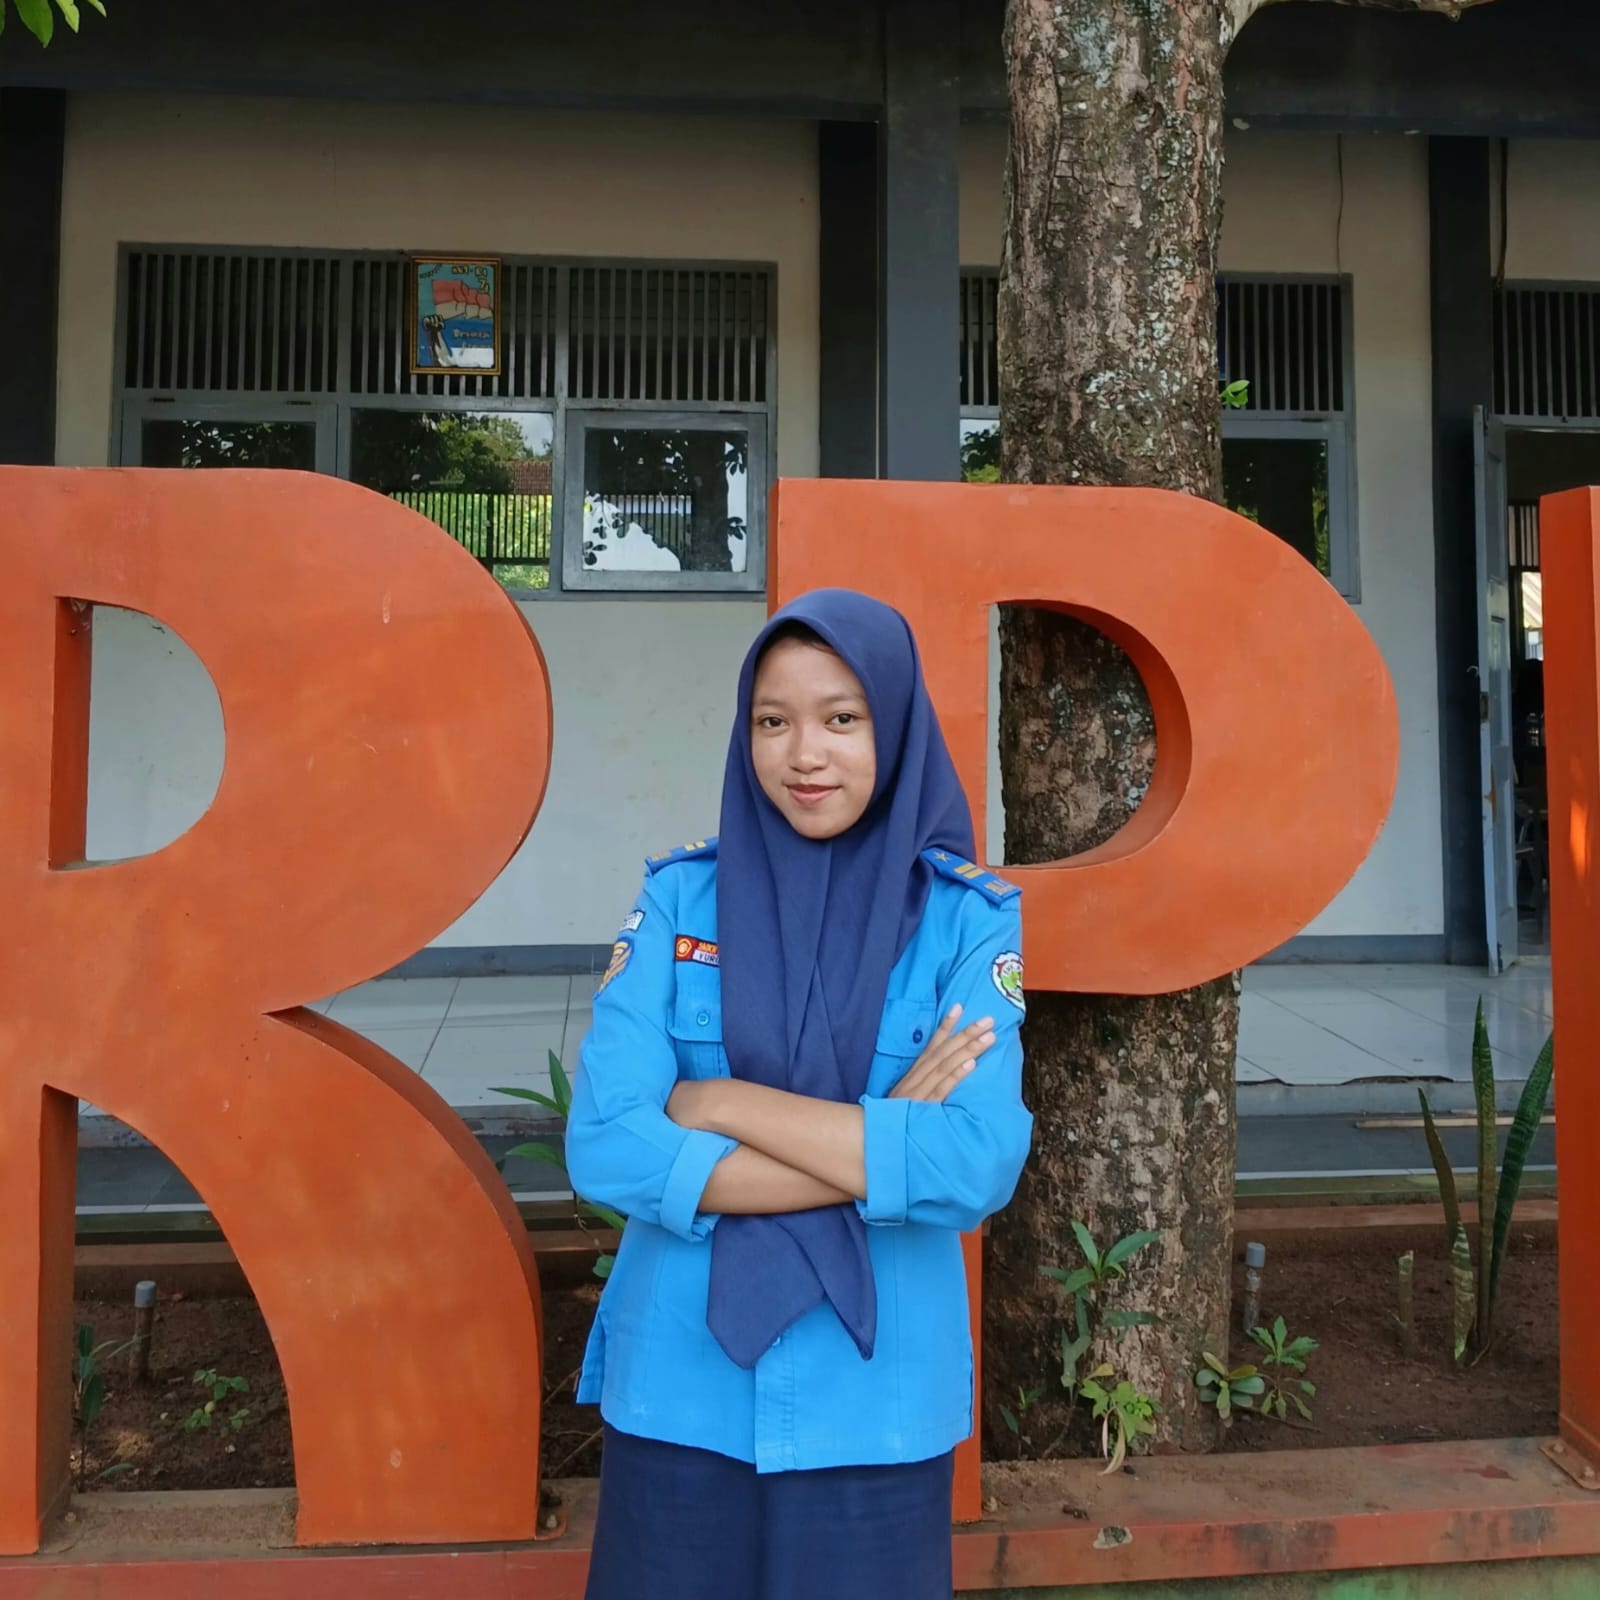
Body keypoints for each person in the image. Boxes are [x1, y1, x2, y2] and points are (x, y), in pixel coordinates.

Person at [566, 588, 1034, 1600]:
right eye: (772, 721)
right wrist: (878, 1143)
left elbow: (973, 1163)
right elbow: (605, 1144)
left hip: (874, 1401)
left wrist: (721, 1102)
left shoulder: (965, 923)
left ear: (895, 726)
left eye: (842, 718)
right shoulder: (679, 900)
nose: (804, 754)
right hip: (680, 1385)